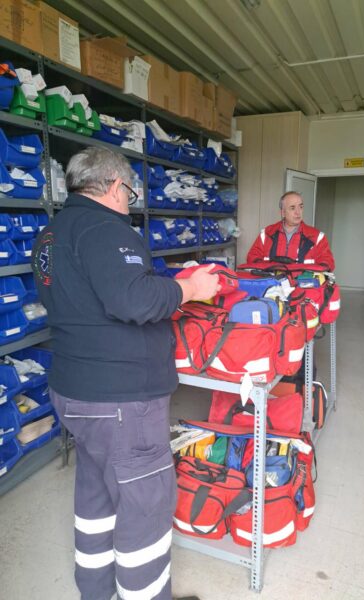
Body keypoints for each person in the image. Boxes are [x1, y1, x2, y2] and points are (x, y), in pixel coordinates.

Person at [32, 147, 218, 600]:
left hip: (75, 392)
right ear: (116, 187)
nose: (129, 201)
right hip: (121, 401)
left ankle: (96, 591)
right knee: (145, 505)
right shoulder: (105, 229)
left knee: (96, 495)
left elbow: (87, 298)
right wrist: (190, 288)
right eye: (130, 192)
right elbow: (132, 299)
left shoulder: (49, 236)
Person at [246, 191, 335, 270]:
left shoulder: (317, 237)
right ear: (283, 213)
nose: (298, 212)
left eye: (301, 207)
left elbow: (327, 262)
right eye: (292, 208)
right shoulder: (267, 234)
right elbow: (252, 257)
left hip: (302, 283)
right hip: (272, 282)